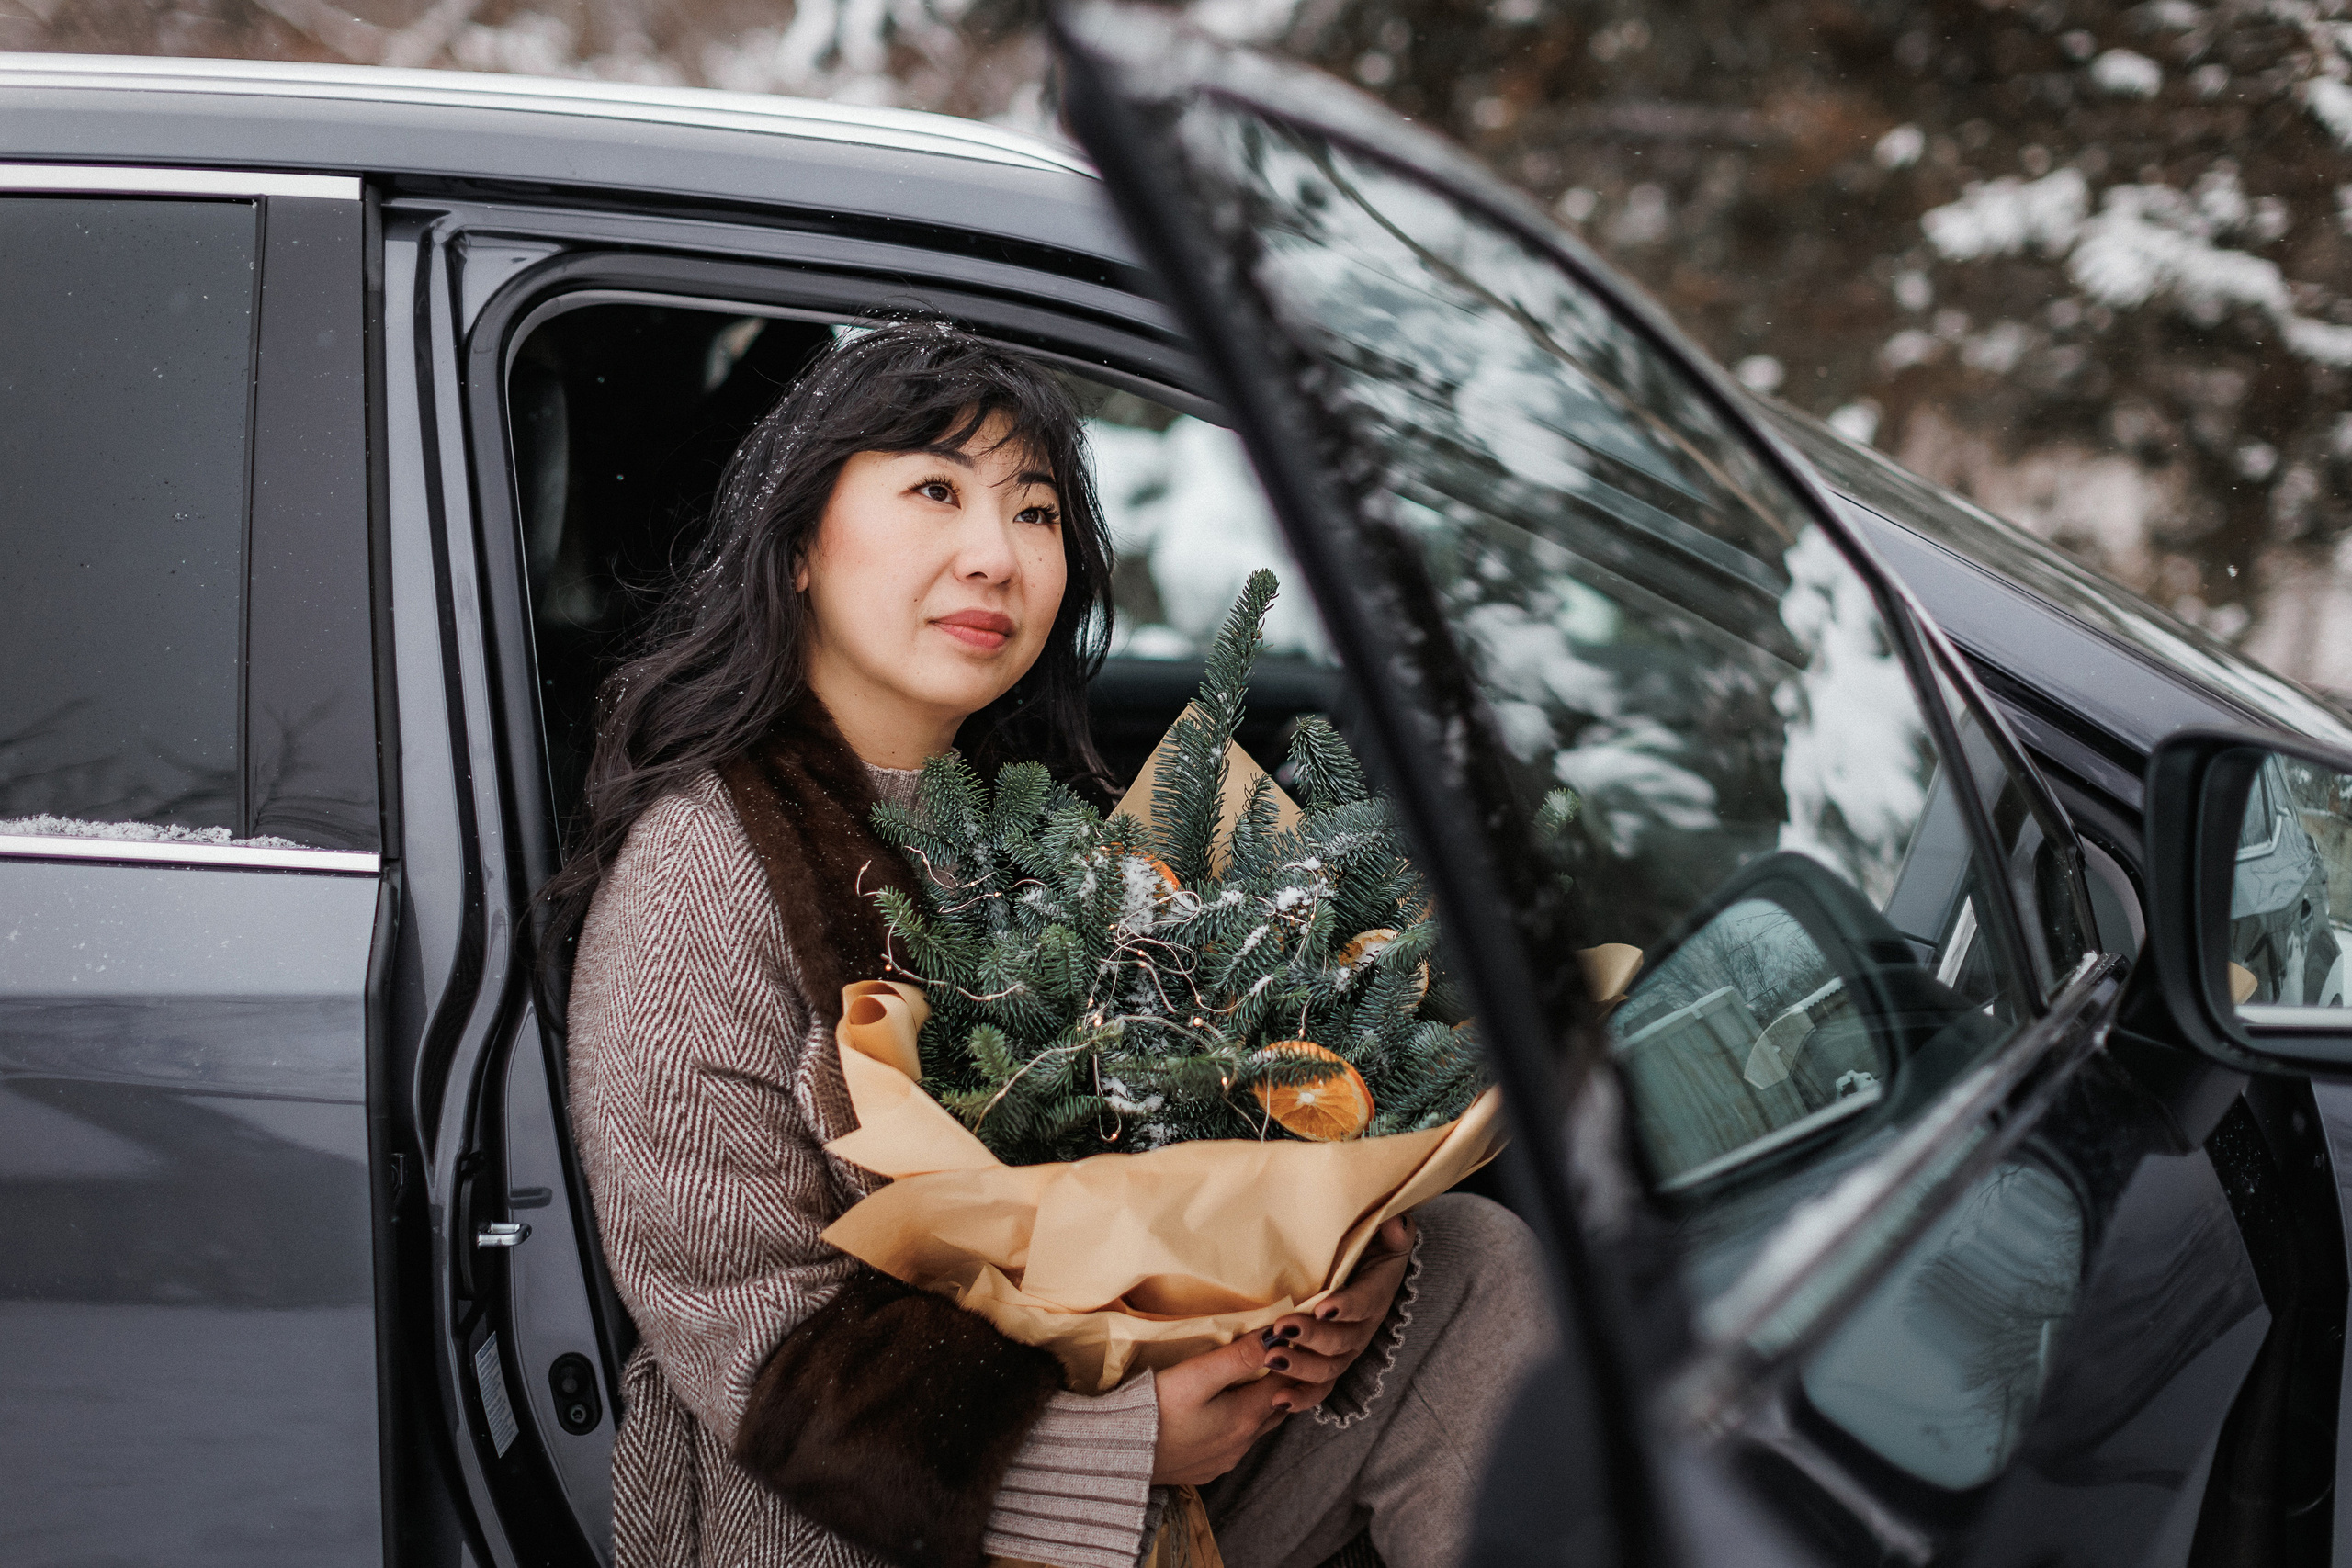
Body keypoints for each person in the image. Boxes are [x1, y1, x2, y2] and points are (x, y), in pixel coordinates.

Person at [543, 321, 1553, 1568]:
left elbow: (1177, 1134)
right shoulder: (705, 873)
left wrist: (1326, 1295)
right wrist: (1118, 1447)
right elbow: (750, 1338)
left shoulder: (1020, 813)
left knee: (1462, 1273)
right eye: (934, 491)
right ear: (798, 543)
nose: (997, 556)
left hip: (1125, 1399)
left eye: (1034, 511)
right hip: (864, 1521)